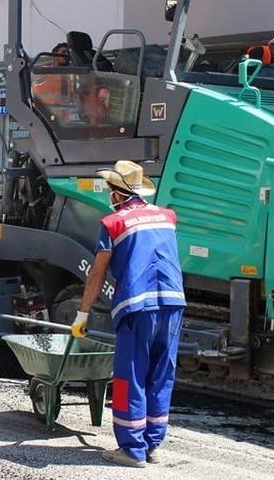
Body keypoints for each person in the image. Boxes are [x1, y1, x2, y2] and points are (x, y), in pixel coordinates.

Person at [71, 160, 185, 468]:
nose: (109, 194)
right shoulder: (167, 216)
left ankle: (132, 449)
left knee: (129, 377)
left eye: (110, 189)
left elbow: (97, 273)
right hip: (174, 303)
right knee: (161, 375)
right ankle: (153, 444)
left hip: (137, 306)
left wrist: (83, 314)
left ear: (118, 193)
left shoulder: (113, 223)